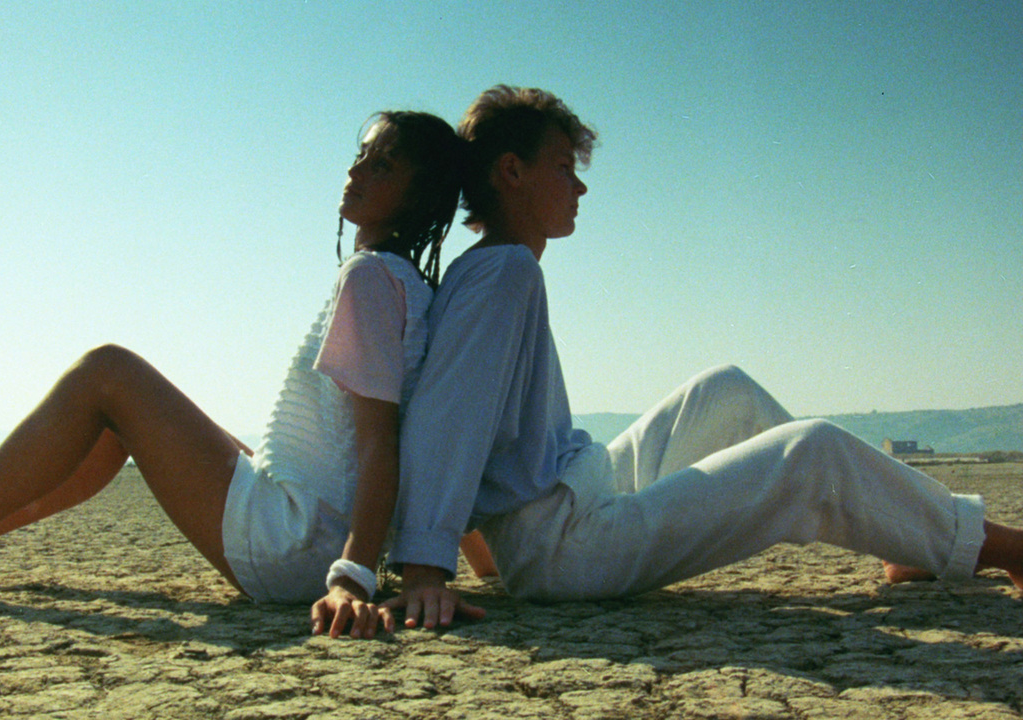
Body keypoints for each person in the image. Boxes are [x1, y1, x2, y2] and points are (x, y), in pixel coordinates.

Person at [382, 85, 1023, 629]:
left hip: (570, 499)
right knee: (813, 452)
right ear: (512, 171)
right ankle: (1000, 547)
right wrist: (426, 570)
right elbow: (446, 419)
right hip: (565, 548)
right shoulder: (504, 273)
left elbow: (481, 432)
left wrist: (487, 555)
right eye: (562, 167)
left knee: (725, 392)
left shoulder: (494, 269)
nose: (579, 186)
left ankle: (909, 537)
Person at [0, 109, 469, 639]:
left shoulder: (369, 279)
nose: (356, 170)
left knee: (106, 371)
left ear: (420, 194)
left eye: (382, 164)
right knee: (117, 423)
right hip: (310, 533)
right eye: (360, 154)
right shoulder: (407, 284)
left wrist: (351, 575)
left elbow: (379, 443)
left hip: (299, 547)